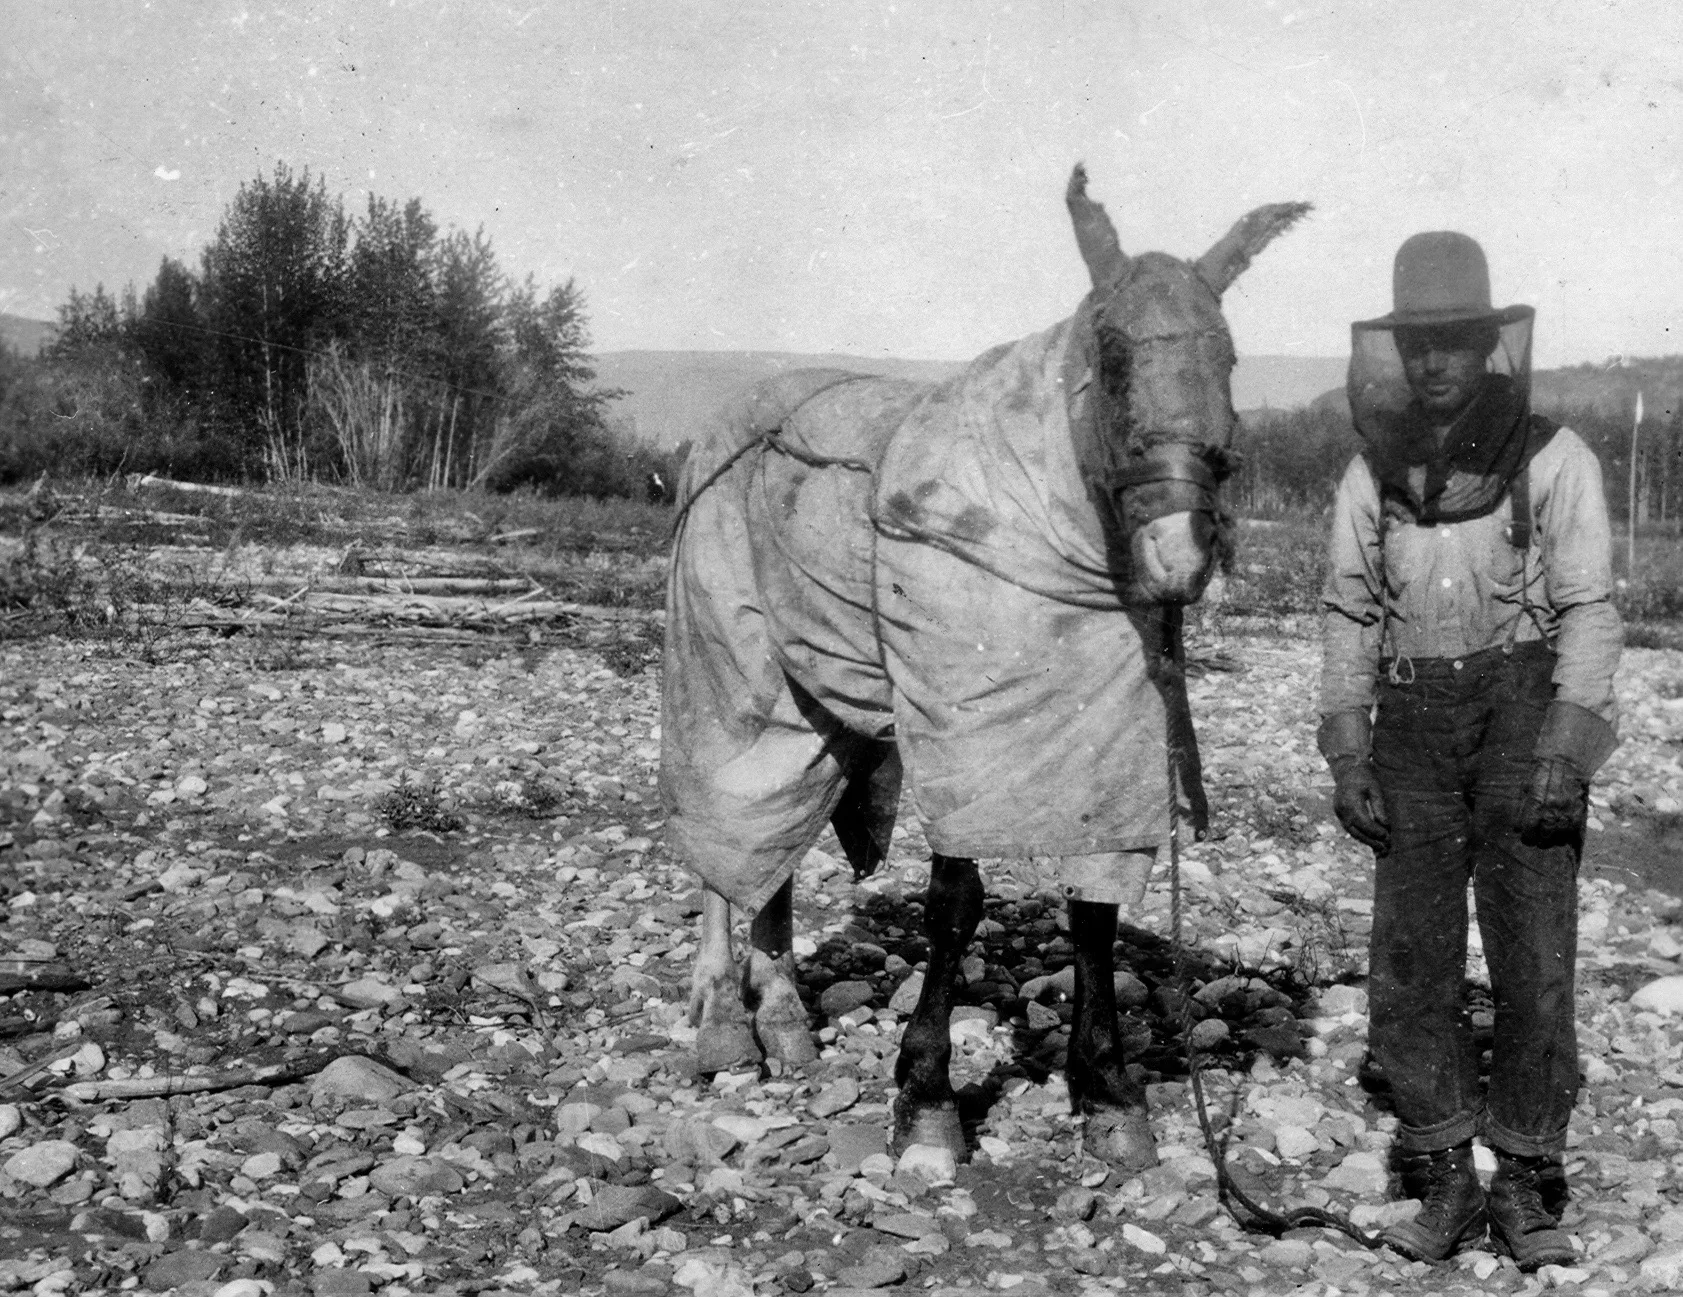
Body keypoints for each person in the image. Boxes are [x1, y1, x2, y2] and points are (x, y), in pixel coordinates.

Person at [1318, 231, 1622, 1269]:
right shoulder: (1374, 471)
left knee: (1534, 956)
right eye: (1419, 346)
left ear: (1491, 343)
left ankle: (1529, 1180)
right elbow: (1347, 611)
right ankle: (1445, 1176)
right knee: (1411, 960)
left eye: (1455, 342)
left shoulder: (1555, 458)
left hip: (1521, 720)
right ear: (1397, 355)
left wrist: (1566, 751)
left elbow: (1591, 611)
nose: (1435, 364)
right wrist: (1348, 749)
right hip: (1411, 725)